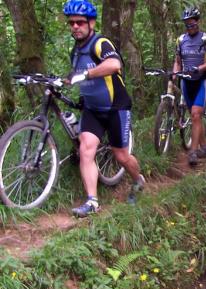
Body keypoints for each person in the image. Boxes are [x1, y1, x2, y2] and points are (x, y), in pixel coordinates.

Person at [64, 0, 145, 217]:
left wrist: (88, 74)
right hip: (92, 109)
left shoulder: (101, 43)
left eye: (80, 22)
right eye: (71, 23)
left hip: (116, 107)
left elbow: (114, 64)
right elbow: (78, 78)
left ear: (91, 22)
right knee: (86, 150)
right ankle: (92, 202)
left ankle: (138, 180)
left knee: (121, 156)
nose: (75, 27)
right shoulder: (75, 51)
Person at [173, 7, 206, 166]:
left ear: (197, 22)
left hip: (201, 81)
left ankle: (192, 152)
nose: (190, 27)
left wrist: (200, 68)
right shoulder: (180, 40)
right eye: (187, 25)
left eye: (192, 25)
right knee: (195, 118)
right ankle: (204, 147)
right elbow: (177, 61)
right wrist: (174, 73)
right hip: (186, 82)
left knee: (196, 115)